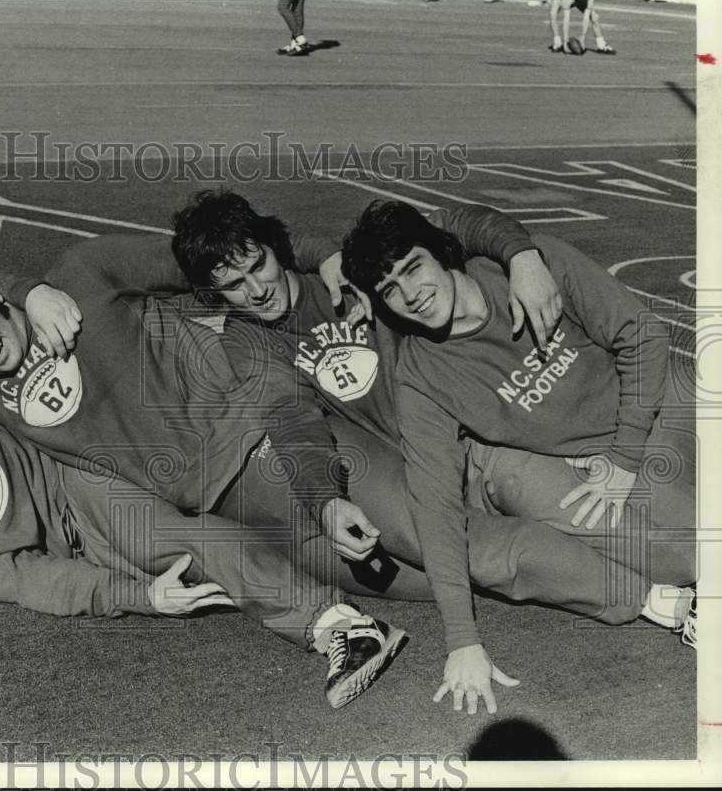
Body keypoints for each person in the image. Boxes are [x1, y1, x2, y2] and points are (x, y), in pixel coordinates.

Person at [168, 190, 696, 715]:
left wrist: (522, 254)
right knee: (453, 538)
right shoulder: (248, 339)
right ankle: (660, 604)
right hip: (430, 451)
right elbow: (291, 418)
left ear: (276, 247)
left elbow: (456, 224)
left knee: (676, 544)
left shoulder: (352, 270)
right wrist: (324, 499)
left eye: (257, 266)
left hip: (501, 435)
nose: (256, 290)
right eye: (233, 286)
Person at [0, 357, 408, 709]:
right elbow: (23, 578)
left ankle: (343, 628)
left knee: (174, 540)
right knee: (174, 566)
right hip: (69, 545)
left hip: (73, 475)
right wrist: (138, 598)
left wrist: (29, 292)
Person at [337, 199, 696, 703]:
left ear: (441, 254)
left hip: (657, 407)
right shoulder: (421, 379)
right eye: (389, 290)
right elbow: (435, 508)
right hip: (593, 464)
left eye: (412, 269)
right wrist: (463, 640)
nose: (410, 295)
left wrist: (625, 455)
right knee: (696, 555)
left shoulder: (530, 267)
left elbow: (641, 337)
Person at [549, 0, 616, 54]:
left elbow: (586, 17)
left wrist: (583, 37)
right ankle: (557, 43)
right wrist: (565, 41)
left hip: (578, 0)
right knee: (553, 13)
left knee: (595, 17)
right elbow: (566, 19)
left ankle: (601, 45)